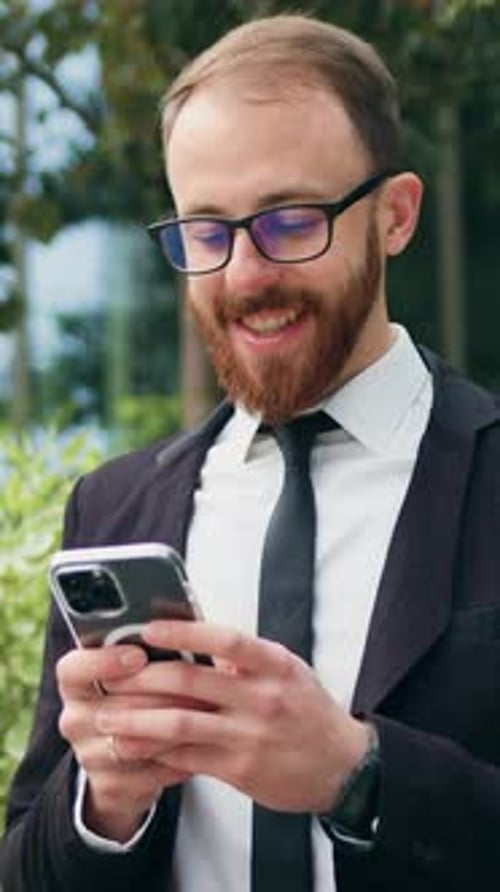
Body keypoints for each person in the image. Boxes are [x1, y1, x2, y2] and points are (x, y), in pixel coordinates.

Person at [1, 12, 500, 892]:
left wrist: (363, 777)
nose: (242, 276)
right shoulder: (113, 508)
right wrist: (103, 807)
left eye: (289, 220)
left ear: (394, 215)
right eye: (205, 231)